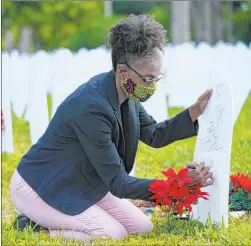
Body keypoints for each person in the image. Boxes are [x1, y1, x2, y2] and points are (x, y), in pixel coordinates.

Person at [10, 14, 214, 242]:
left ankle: (54, 219)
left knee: (141, 226)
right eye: (148, 79)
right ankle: (35, 224)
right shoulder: (91, 107)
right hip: (42, 186)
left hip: (84, 182)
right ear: (123, 71)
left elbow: (155, 134)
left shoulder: (127, 93)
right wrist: (178, 185)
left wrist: (194, 111)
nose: (152, 86)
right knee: (110, 234)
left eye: (157, 78)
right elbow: (118, 183)